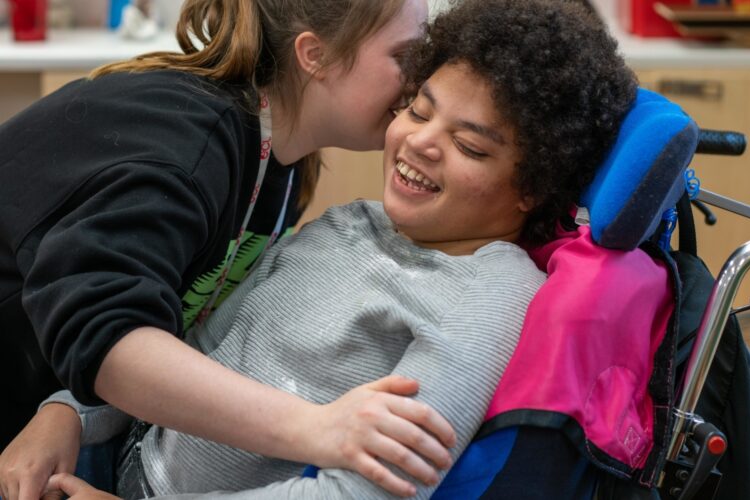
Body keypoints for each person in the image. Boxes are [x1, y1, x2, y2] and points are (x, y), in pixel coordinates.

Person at [33, 0, 636, 498]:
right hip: (118, 447)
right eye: (418, 110)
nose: (420, 142)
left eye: (470, 147)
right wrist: (70, 415)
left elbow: (363, 491)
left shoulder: (487, 299)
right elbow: (200, 344)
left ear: (532, 185)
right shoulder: (350, 222)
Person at [0, 0, 459, 498]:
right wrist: (317, 428)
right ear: (317, 56)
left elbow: (172, 319)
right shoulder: (189, 142)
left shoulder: (284, 159)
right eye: (404, 57)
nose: (419, 82)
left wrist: (67, 409)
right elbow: (108, 337)